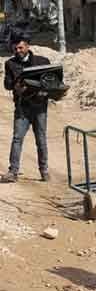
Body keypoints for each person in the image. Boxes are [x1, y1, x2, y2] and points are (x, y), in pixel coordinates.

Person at [3, 38, 51, 183]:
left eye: (20, 48)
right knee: (17, 139)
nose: (18, 51)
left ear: (27, 47)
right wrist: (15, 85)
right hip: (22, 107)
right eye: (15, 49)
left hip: (39, 107)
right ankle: (13, 172)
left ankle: (44, 171)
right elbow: (7, 84)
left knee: (41, 140)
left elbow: (51, 79)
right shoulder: (10, 63)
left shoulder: (42, 61)